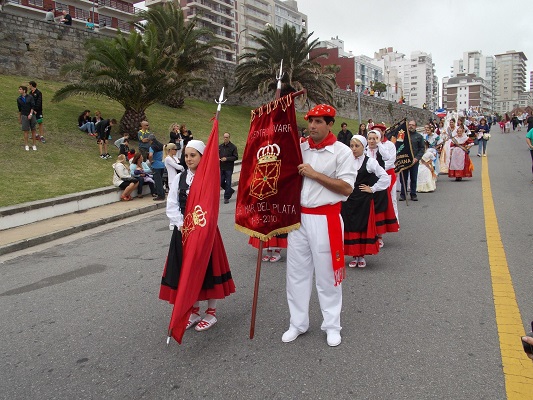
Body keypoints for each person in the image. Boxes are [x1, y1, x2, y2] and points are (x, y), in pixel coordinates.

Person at [283, 104, 355, 348]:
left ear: (330, 124)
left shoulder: (342, 152)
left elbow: (346, 188)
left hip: (326, 219)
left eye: (318, 122)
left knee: (327, 276)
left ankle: (332, 325)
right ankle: (297, 322)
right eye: (310, 121)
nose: (312, 126)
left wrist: (315, 175)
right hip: (299, 219)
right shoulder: (300, 147)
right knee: (296, 274)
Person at [160, 140, 235, 331]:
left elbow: (211, 207)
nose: (189, 159)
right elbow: (172, 203)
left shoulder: (209, 178)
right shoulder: (180, 178)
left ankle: (211, 313)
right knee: (187, 272)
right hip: (184, 232)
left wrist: (199, 227)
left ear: (202, 157)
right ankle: (193, 310)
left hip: (205, 232)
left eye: (193, 155)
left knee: (208, 270)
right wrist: (182, 224)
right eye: (186, 155)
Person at [342, 135, 390, 268]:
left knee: (362, 225)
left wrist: (373, 188)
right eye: (351, 146)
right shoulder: (346, 161)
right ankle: (354, 254)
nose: (353, 149)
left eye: (357, 146)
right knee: (350, 225)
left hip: (363, 200)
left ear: (363, 147)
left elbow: (385, 177)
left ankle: (361, 256)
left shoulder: (370, 162)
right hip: (349, 199)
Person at [366, 127, 399, 242]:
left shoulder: (382, 149)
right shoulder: (365, 151)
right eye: (369, 138)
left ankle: (380, 235)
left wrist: (379, 145)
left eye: (374, 138)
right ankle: (371, 232)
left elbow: (387, 157)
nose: (372, 141)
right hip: (368, 181)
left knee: (380, 207)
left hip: (379, 180)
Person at [398, 120, 425, 201]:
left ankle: (413, 194)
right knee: (403, 178)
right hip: (404, 160)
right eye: (409, 125)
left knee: (413, 178)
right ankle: (403, 194)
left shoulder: (419, 136)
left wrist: (417, 158)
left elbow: (422, 149)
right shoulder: (402, 136)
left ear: (415, 126)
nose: (410, 126)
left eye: (412, 125)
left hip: (414, 160)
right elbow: (398, 146)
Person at [219, 132, 238, 204]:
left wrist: (227, 159)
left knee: (228, 182)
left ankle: (226, 197)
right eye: (224, 137)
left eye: (226, 137)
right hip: (221, 167)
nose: (225, 138)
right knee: (220, 181)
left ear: (229, 138)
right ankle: (230, 190)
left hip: (228, 167)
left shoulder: (233, 147)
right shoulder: (220, 147)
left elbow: (235, 157)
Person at [17, 86, 38, 151]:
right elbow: (20, 109)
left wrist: (31, 114)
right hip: (24, 115)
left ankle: (34, 145)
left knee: (33, 130)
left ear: (24, 90)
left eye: (20, 89)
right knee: (26, 130)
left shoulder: (30, 97)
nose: (19, 90)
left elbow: (32, 106)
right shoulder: (19, 99)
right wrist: (20, 118)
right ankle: (26, 145)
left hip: (31, 115)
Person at [148, 134, 166, 200]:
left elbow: (150, 155)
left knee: (157, 181)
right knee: (160, 180)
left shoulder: (152, 147)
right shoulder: (161, 145)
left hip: (156, 165)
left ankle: (160, 195)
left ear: (150, 140)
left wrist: (151, 160)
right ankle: (163, 194)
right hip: (162, 164)